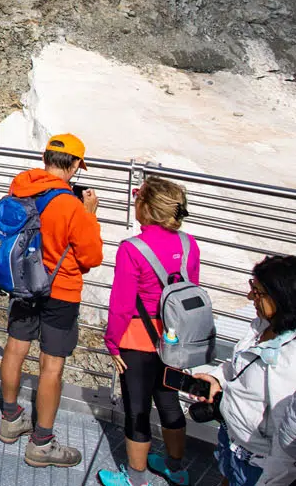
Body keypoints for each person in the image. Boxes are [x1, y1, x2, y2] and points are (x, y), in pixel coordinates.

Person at [0, 133, 103, 468]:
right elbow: (91, 257)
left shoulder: (21, 186)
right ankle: (41, 443)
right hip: (61, 290)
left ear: (45, 158)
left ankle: (10, 420)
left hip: (24, 284)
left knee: (15, 347)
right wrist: (90, 214)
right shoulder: (71, 206)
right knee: (51, 366)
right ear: (73, 165)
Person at [97, 177, 200, 486]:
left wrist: (113, 342)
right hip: (175, 341)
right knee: (169, 401)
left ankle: (136, 478)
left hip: (137, 341)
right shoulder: (188, 244)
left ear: (147, 207)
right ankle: (176, 468)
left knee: (137, 409)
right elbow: (191, 293)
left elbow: (122, 304)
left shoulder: (132, 249)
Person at [193, 255, 296, 486]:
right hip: (232, 439)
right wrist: (216, 378)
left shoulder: (290, 362)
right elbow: (237, 364)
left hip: (257, 463)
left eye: (257, 292)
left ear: (282, 298)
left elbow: (287, 442)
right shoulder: (262, 325)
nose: (250, 297)